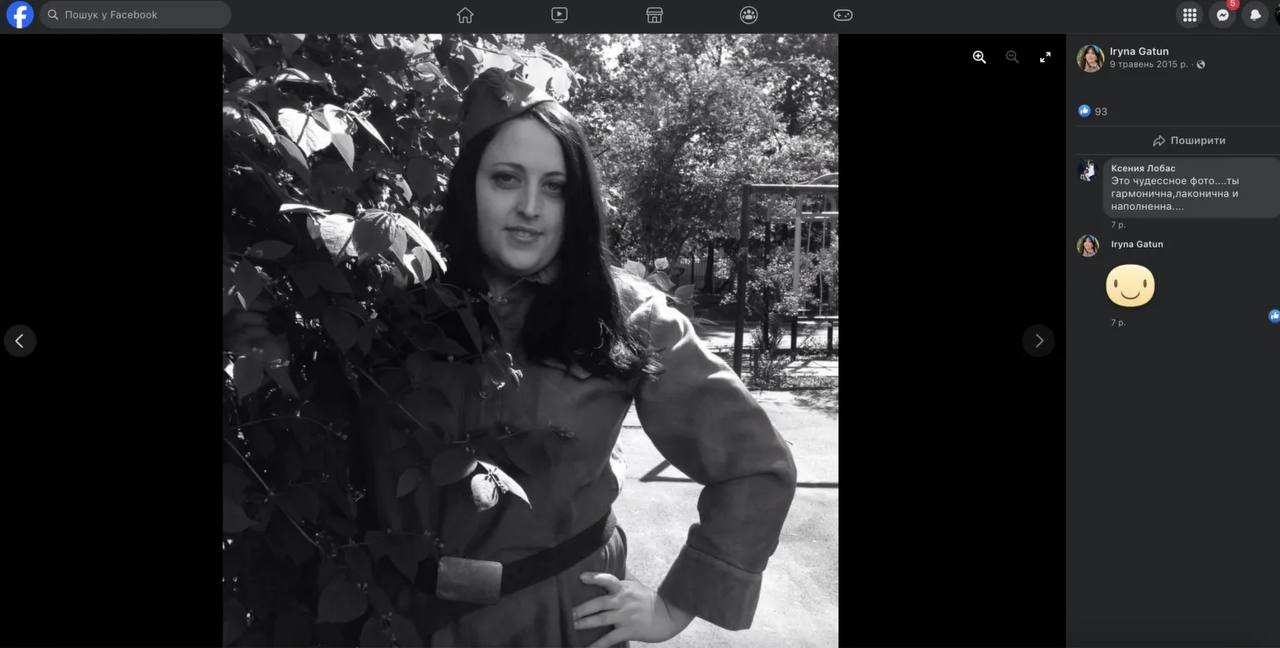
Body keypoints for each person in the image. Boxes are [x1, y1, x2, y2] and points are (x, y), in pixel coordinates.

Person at [374, 68, 798, 647]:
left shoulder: (628, 314)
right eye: (505, 178)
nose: (530, 207)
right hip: (400, 621)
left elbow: (756, 464)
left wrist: (675, 605)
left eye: (555, 187)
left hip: (563, 622)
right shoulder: (397, 306)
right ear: (469, 185)